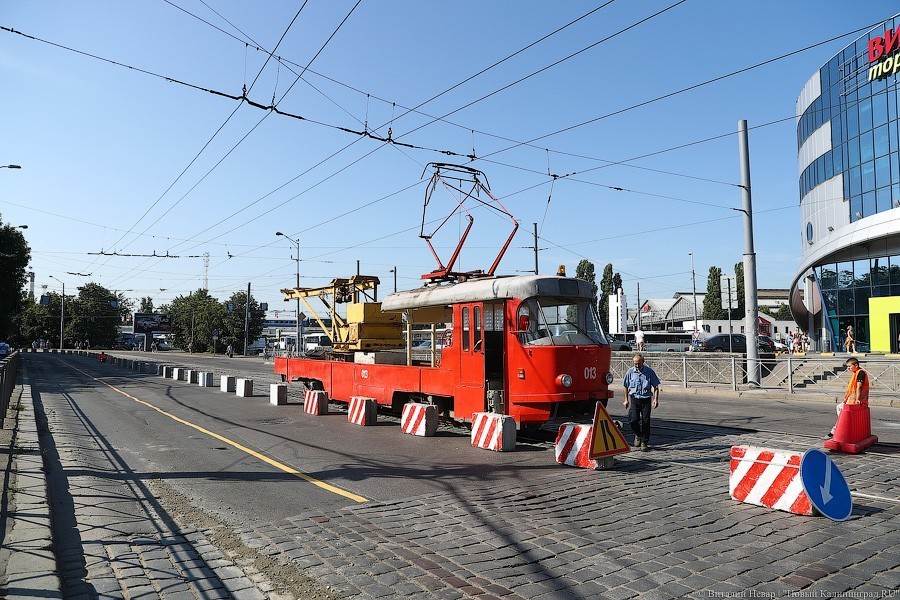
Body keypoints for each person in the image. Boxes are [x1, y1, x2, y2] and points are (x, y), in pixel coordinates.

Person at [622, 353, 661, 452]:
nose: (637, 366)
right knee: (633, 419)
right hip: (634, 398)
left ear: (643, 362)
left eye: (638, 364)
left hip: (646, 399)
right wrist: (626, 400)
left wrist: (655, 399)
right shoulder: (630, 372)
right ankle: (638, 435)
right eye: (635, 364)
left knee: (645, 421)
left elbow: (656, 387)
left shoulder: (649, 372)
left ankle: (644, 441)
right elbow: (625, 386)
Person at [830, 357, 868, 437]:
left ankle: (836, 430)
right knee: (840, 408)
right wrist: (846, 399)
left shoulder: (860, 373)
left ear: (856, 365)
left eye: (849, 366)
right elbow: (852, 389)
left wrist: (858, 399)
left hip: (856, 401)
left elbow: (859, 387)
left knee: (842, 411)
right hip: (852, 399)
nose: (848, 368)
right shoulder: (856, 373)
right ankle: (836, 429)